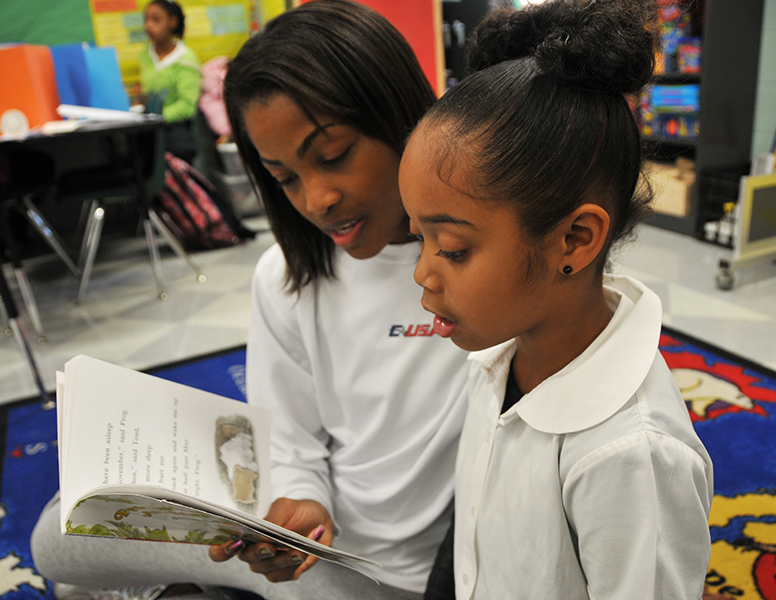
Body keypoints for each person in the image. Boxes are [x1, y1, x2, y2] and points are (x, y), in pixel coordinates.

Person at [31, 2, 469, 599]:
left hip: (405, 579)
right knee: (60, 526)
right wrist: (304, 504)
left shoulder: (477, 263)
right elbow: (291, 439)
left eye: (333, 155)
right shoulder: (288, 274)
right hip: (321, 541)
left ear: (404, 120)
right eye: (284, 177)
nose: (317, 199)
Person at [398, 1, 715, 599]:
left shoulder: (631, 456)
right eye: (420, 238)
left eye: (454, 249)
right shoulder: (494, 360)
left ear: (575, 239)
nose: (423, 274)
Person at [140, 0, 202, 163]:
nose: (148, 26)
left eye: (156, 19)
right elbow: (148, 93)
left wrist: (157, 119)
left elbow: (187, 107)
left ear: (172, 22)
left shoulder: (186, 59)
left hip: (174, 128)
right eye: (146, 19)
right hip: (150, 126)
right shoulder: (146, 55)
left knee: (175, 148)